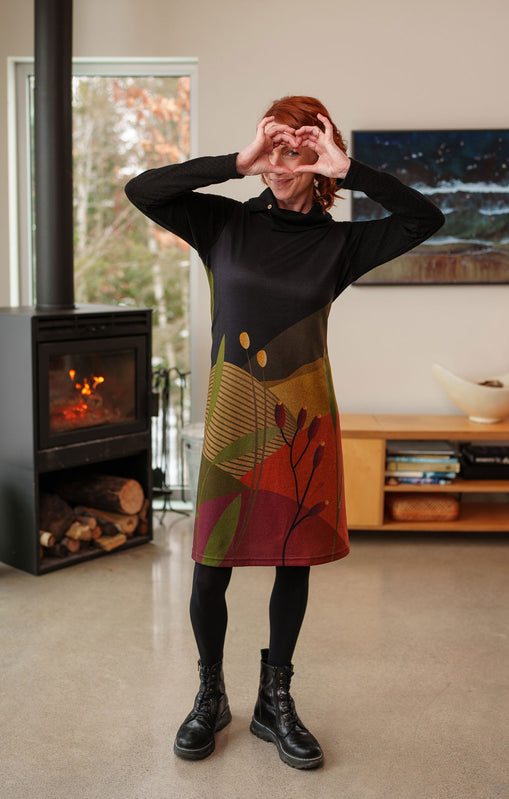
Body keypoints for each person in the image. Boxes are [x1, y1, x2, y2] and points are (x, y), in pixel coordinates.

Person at [125, 95, 444, 770]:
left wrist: (349, 169)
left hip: (303, 425)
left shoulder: (340, 244)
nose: (279, 162)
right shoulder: (222, 223)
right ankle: (210, 694)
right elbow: (142, 189)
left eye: (294, 150)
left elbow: (425, 218)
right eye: (271, 148)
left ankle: (275, 699)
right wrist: (237, 161)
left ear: (319, 158)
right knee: (210, 569)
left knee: (291, 564)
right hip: (233, 423)